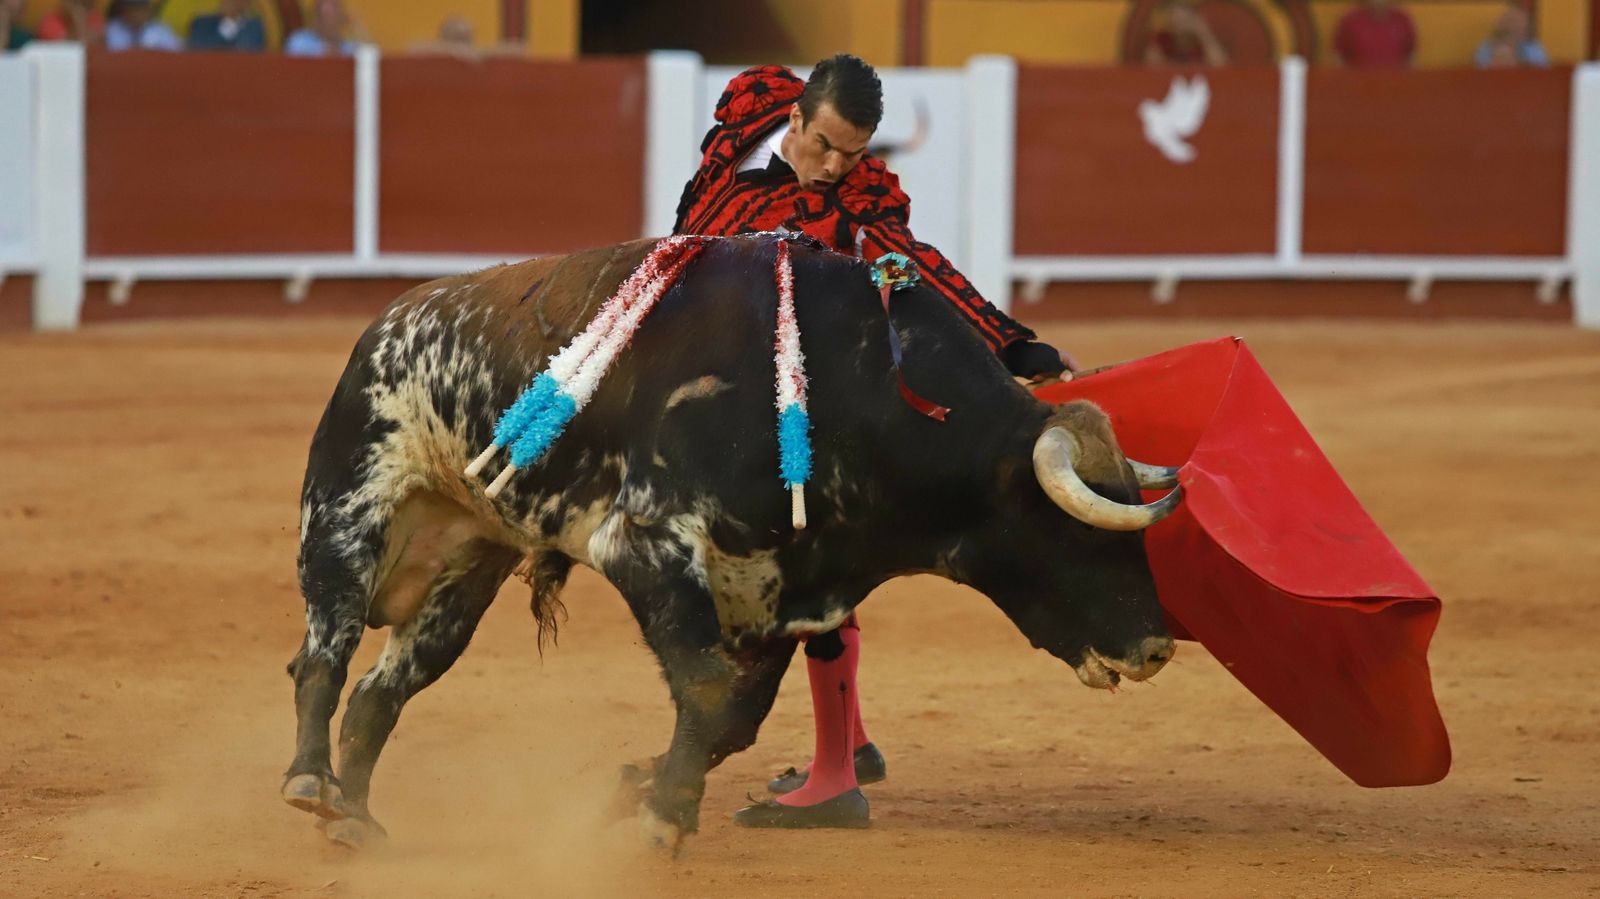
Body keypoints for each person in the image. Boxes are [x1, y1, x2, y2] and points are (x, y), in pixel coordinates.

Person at [673, 54, 1074, 829]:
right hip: (728, 381)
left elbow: (916, 267)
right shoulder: (742, 130)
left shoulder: (859, 197)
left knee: (810, 564)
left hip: (814, 397)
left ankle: (835, 778)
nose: (833, 168)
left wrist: (1012, 344)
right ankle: (849, 745)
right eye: (824, 146)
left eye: (852, 154)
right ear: (793, 119)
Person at [1144, 1, 1229, 67]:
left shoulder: (1201, 39)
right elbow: (1152, 67)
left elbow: (1222, 66)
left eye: (1184, 20)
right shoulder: (1162, 38)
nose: (1179, 24)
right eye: (1174, 18)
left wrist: (1204, 33)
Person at [1333, 0, 1416, 67]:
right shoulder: (1350, 21)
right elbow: (1339, 56)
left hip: (1396, 80)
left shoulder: (1403, 20)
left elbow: (1410, 55)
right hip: (1358, 81)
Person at [1474, 3, 1549, 68]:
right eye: (1514, 21)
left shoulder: (1533, 47)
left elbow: (1544, 71)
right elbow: (1479, 72)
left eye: (1523, 23)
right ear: (1502, 25)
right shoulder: (1486, 47)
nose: (1520, 26)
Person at [284, 0, 356, 57]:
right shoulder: (299, 42)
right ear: (316, 19)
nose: (330, 22)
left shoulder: (349, 48)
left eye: (334, 16)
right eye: (325, 16)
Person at [186, 0, 265, 52]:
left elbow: (251, 53)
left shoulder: (255, 28)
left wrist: (232, 22)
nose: (230, 2)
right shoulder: (202, 24)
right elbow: (197, 51)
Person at [104, 0, 181, 51]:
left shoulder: (161, 30)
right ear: (123, 11)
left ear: (148, 10)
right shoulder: (111, 29)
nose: (135, 14)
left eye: (139, 10)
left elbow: (177, 52)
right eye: (131, 10)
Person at [35, 0, 105, 44]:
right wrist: (76, 20)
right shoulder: (49, 23)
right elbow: (64, 50)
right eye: (75, 2)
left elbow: (95, 45)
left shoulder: (95, 17)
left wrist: (80, 20)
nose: (79, 7)